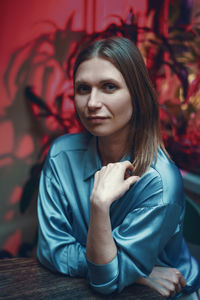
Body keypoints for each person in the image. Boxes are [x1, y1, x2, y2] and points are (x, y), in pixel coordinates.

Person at [37, 37, 200, 299]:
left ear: (137, 95)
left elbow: (106, 282)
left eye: (109, 87)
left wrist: (100, 206)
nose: (91, 103)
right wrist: (135, 272)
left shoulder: (159, 181)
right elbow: (51, 250)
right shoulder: (61, 156)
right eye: (83, 89)